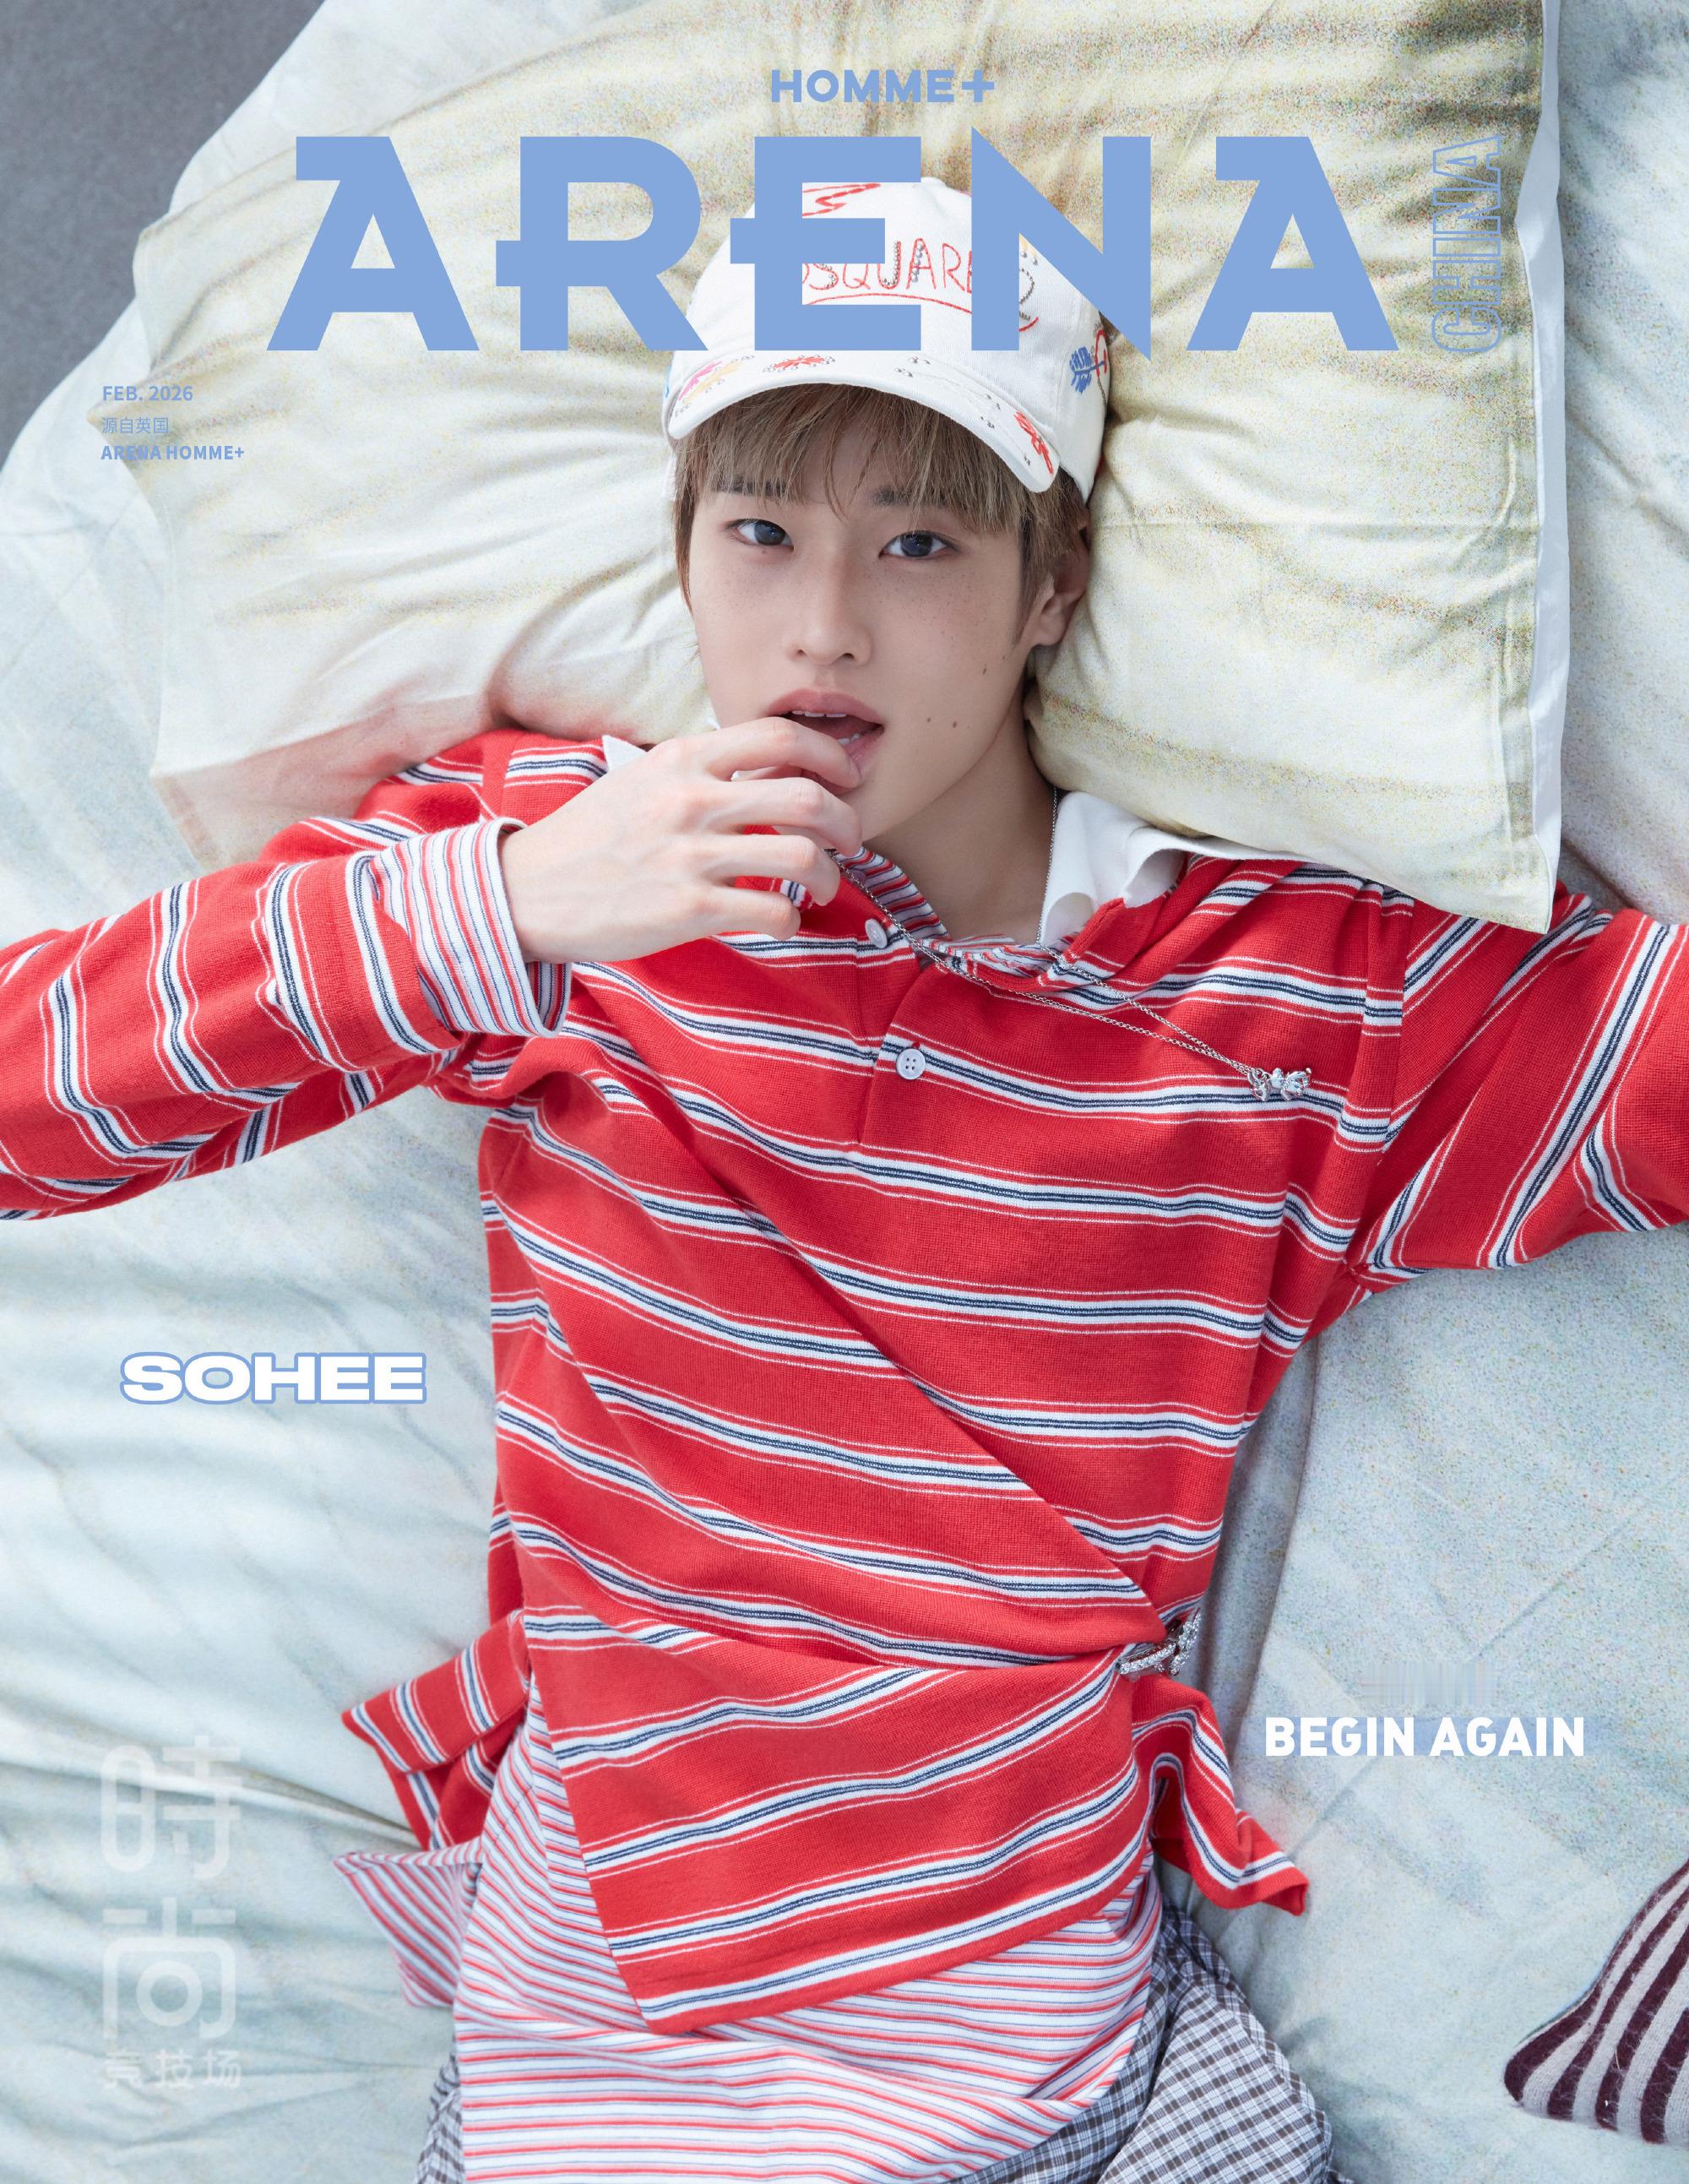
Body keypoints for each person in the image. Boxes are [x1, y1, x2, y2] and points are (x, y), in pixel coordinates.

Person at [3, 177, 1683, 2183]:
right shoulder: (550, 866)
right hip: (612, 2045)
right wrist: (510, 904)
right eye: (761, 534)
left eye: (919, 542)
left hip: (1073, 2043)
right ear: (683, 555)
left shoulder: (1289, 989)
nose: (822, 625)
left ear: (1050, 587)